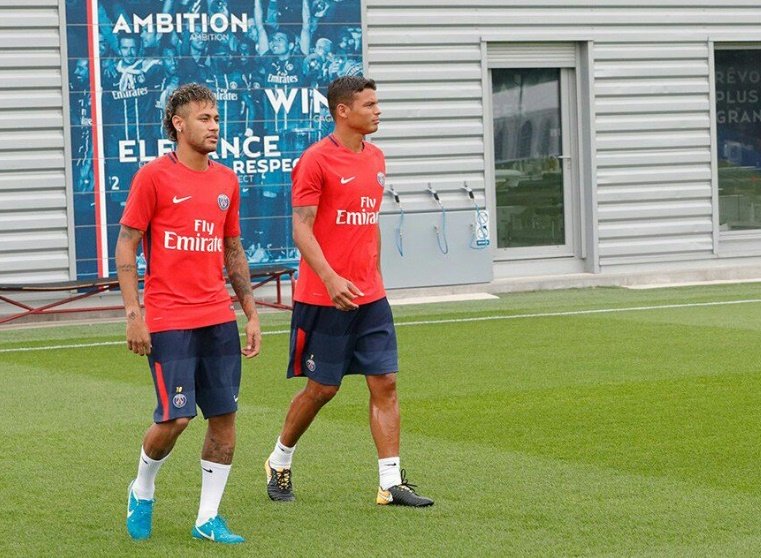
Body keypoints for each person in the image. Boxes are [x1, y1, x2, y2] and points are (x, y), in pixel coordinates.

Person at [264, 76, 434, 508]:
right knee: (323, 389)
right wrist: (331, 278)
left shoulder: (376, 158)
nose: (378, 111)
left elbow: (369, 223)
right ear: (343, 111)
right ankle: (279, 460)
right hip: (324, 297)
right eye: (369, 105)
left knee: (386, 382)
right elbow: (301, 229)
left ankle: (390, 483)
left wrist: (376, 278)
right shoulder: (315, 160)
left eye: (377, 104)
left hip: (370, 297)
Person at [116, 82, 262, 544]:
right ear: (178, 124)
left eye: (216, 118)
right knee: (174, 419)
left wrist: (250, 313)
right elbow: (127, 244)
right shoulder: (153, 177)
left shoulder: (226, 181)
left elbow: (233, 249)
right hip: (169, 319)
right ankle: (142, 489)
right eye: (204, 118)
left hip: (217, 318)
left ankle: (207, 519)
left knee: (224, 420)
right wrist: (133, 314)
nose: (214, 126)